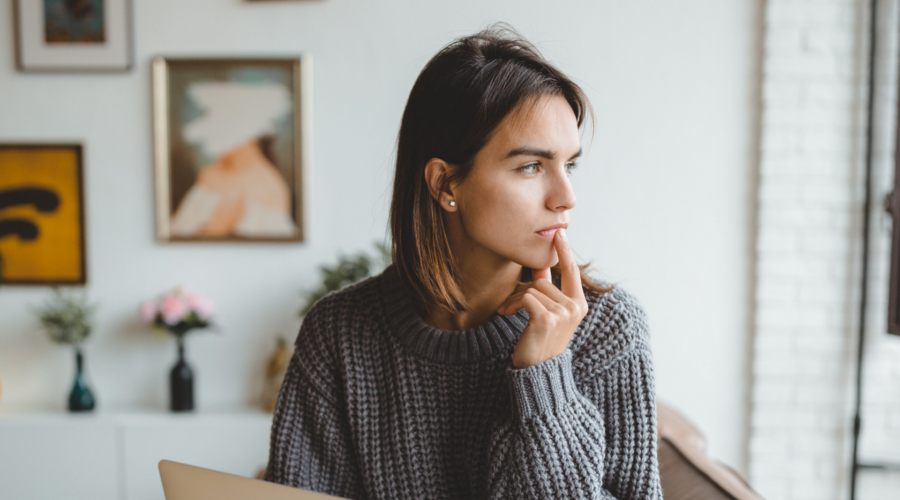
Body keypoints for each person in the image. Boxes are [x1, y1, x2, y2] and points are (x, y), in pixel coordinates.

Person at [264, 23, 664, 500]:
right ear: (445, 184)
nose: (566, 197)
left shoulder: (607, 329)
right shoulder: (339, 334)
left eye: (569, 164)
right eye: (531, 167)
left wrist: (545, 378)